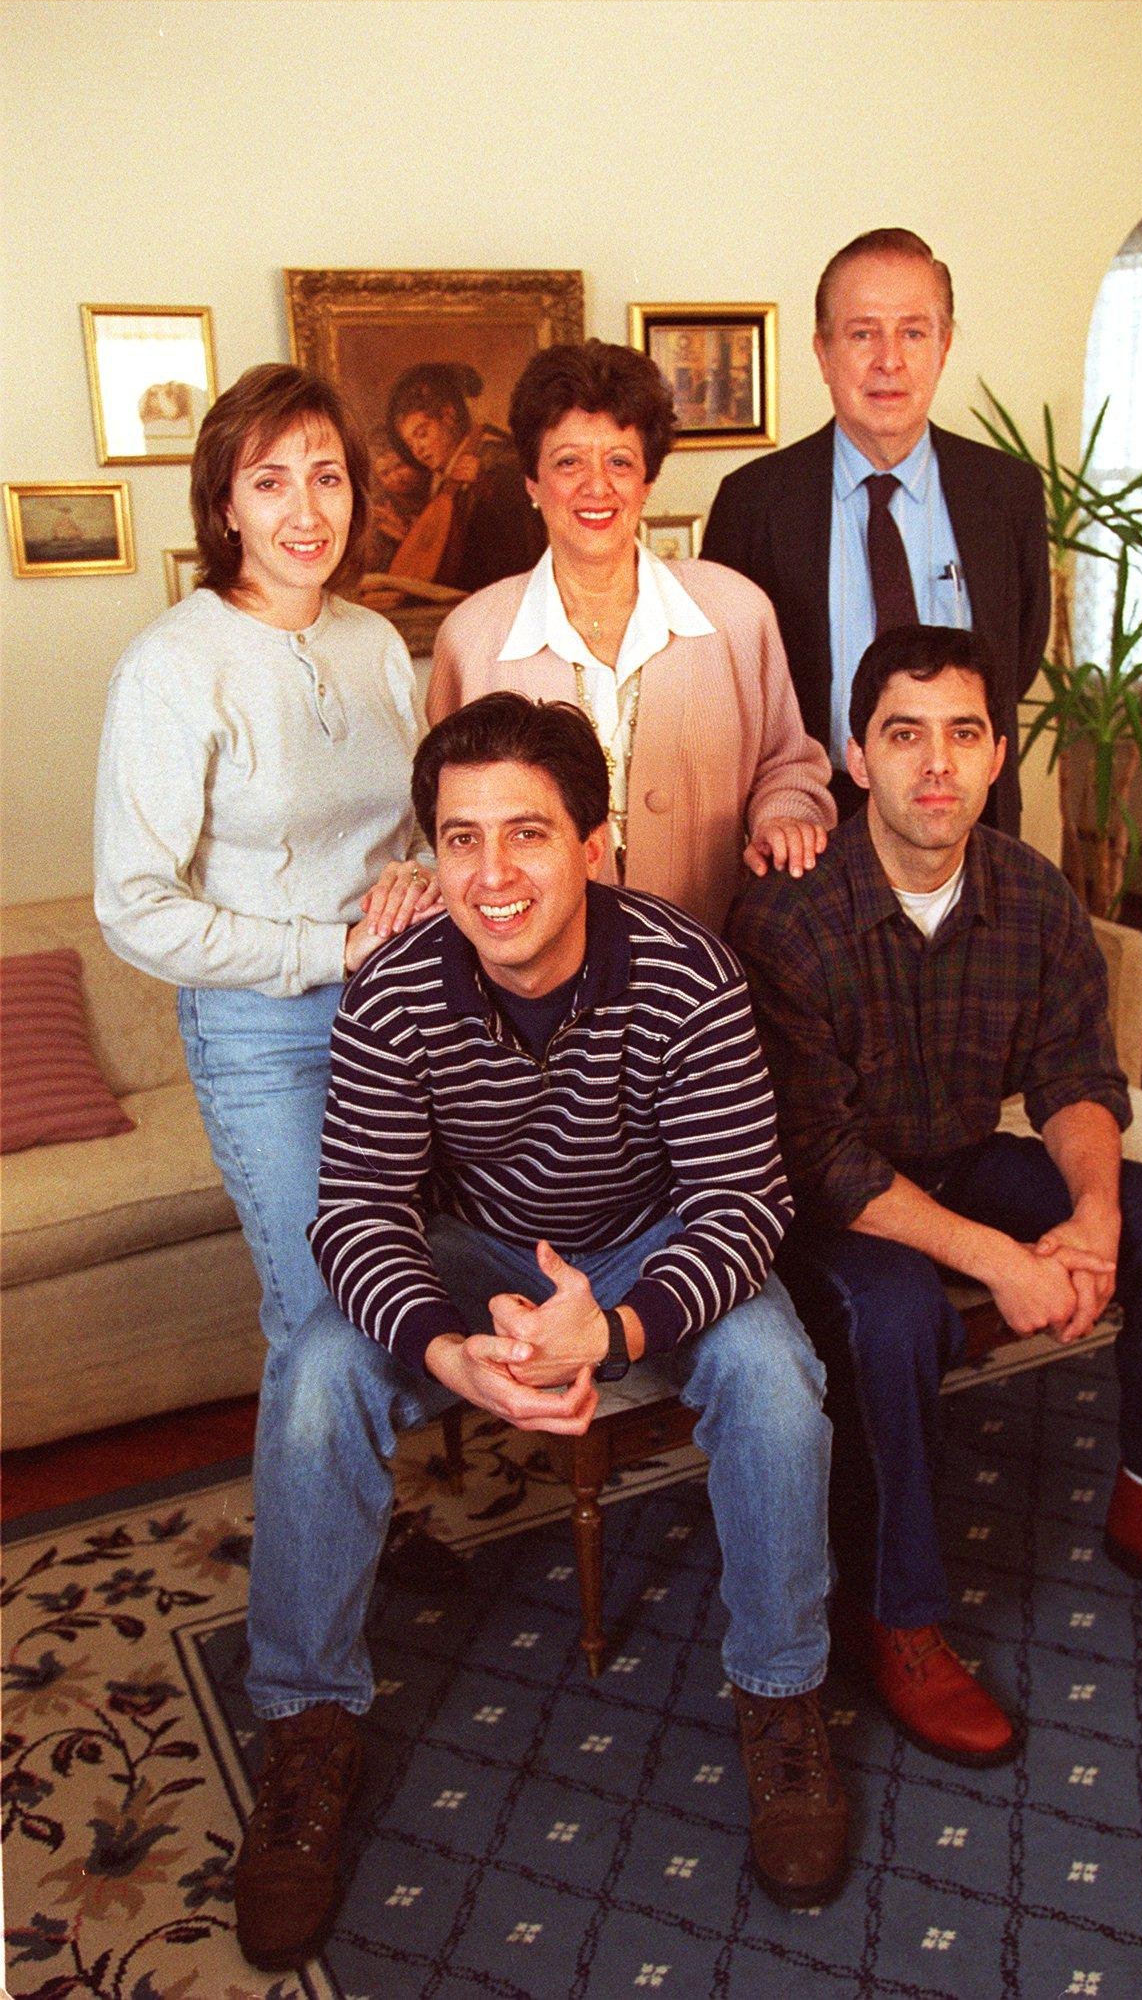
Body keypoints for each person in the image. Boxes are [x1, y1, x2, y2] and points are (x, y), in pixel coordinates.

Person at [231, 693, 848, 1969]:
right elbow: (356, 1212)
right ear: (430, 852)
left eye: (527, 833)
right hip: (475, 1255)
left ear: (592, 839)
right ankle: (305, 1727)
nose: (493, 873)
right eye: (460, 838)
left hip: (644, 1246)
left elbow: (744, 1199)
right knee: (312, 1364)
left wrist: (615, 1327)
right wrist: (449, 1350)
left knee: (777, 1372)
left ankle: (781, 1696)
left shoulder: (684, 969)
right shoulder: (397, 983)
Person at [727, 623, 1142, 1769]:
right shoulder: (788, 916)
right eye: (904, 733)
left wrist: (1092, 1217)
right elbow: (821, 1159)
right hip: (829, 1207)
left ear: (995, 754)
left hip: (958, 1153)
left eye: (962, 734)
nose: (935, 763)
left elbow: (1075, 1076)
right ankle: (899, 1613)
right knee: (894, 1314)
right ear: (854, 755)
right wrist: (1002, 1259)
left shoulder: (1029, 891)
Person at [94, 358, 439, 1722]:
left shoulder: (371, 642)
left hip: (400, 1016)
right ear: (224, 502)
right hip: (266, 1031)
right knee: (322, 1323)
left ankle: (360, 1522)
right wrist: (322, 950)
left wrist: (414, 879)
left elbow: (406, 824)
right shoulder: (175, 664)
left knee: (384, 1297)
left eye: (329, 475)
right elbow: (135, 908)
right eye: (272, 480)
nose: (308, 508)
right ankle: (305, 1695)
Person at [426, 338, 833, 935]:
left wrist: (785, 816)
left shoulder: (736, 611)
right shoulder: (472, 636)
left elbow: (787, 764)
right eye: (568, 462)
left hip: (715, 957)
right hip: (538, 976)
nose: (597, 486)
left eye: (619, 461)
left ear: (647, 481)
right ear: (532, 482)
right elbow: (442, 814)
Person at [702, 227, 1049, 837]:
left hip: (969, 825)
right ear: (823, 351)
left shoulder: (1007, 494)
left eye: (914, 332)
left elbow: (1015, 663)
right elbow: (731, 692)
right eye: (863, 334)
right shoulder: (752, 503)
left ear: (943, 347)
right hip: (812, 831)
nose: (889, 360)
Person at [365, 360, 544, 605]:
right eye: (410, 444)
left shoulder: (501, 460)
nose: (418, 449)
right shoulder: (444, 484)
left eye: (422, 433)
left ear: (448, 416)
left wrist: (486, 486)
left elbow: (520, 548)